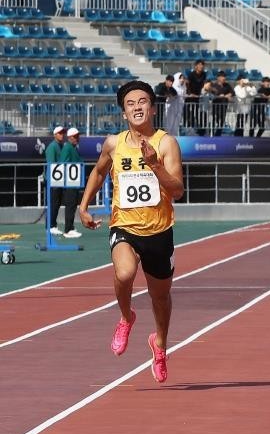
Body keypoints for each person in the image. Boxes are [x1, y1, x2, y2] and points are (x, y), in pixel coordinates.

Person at [77, 81, 184, 384]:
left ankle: (160, 344)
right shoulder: (114, 143)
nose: (137, 107)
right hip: (123, 225)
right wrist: (84, 206)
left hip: (159, 231)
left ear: (152, 108)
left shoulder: (166, 144)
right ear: (124, 112)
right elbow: (99, 172)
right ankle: (126, 317)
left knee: (160, 297)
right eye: (130, 103)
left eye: (143, 101)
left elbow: (177, 190)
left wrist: (155, 166)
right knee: (124, 273)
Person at [59, 127, 83, 239]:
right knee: (70, 205)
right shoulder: (67, 148)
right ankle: (68, 229)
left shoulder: (72, 147)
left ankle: (70, 227)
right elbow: (62, 163)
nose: (77, 138)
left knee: (72, 205)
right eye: (75, 136)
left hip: (74, 181)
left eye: (77, 136)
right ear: (70, 137)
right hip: (70, 182)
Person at [45, 125, 66, 236]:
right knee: (53, 203)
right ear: (55, 134)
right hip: (53, 180)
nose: (62, 135)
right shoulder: (52, 147)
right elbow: (51, 164)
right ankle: (50, 226)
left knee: (56, 203)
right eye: (60, 133)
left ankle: (52, 224)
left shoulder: (61, 146)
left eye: (63, 133)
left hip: (58, 179)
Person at [208, 70, 233, 137]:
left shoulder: (227, 85)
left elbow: (232, 93)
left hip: (224, 106)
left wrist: (228, 95)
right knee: (214, 120)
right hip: (215, 106)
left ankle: (217, 135)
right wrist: (220, 96)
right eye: (222, 77)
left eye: (224, 77)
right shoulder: (213, 85)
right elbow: (211, 94)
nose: (224, 78)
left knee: (221, 121)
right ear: (218, 78)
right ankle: (211, 134)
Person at [185, 60, 207, 135]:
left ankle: (199, 131)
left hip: (199, 98)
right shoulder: (191, 75)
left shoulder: (204, 74)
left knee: (199, 114)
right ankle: (189, 132)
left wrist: (202, 92)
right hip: (190, 98)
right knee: (190, 115)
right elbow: (187, 85)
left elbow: (204, 84)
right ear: (196, 66)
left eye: (202, 65)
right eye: (200, 65)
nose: (201, 66)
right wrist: (190, 94)